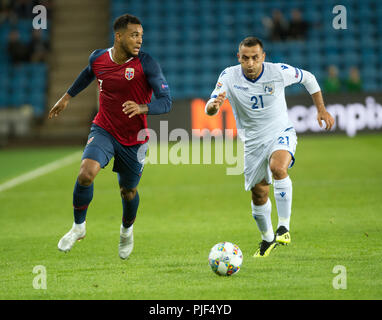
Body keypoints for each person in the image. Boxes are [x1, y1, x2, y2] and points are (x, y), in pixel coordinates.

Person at [48, 14, 172, 259]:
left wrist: (142, 107)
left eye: (141, 36)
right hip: (103, 129)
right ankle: (78, 227)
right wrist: (66, 97)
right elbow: (88, 73)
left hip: (134, 138)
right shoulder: (98, 58)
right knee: (86, 174)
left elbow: (166, 101)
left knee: (128, 192)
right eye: (134, 35)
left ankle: (126, 231)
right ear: (119, 36)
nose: (139, 41)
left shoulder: (147, 64)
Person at [205, 37, 334, 258]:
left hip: (280, 132)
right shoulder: (229, 75)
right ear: (239, 58)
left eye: (255, 58)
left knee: (278, 167)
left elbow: (309, 79)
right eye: (245, 58)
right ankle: (267, 239)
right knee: (259, 194)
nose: (250, 63)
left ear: (263, 57)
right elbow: (210, 106)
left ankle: (283, 227)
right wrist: (213, 106)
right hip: (253, 143)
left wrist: (321, 110)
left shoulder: (278, 71)